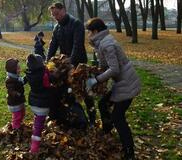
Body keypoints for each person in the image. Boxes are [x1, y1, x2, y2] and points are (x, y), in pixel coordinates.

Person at [85, 18, 141, 160]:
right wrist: (95, 72)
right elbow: (106, 65)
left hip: (126, 84)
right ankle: (107, 131)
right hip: (122, 83)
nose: (88, 35)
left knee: (118, 117)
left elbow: (114, 69)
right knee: (103, 103)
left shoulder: (107, 44)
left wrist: (96, 80)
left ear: (96, 31)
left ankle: (129, 152)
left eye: (89, 32)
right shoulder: (103, 41)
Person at [47, 2, 95, 127]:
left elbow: (77, 45)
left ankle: (92, 120)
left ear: (63, 10)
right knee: (68, 92)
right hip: (65, 65)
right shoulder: (56, 27)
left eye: (57, 13)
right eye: (53, 15)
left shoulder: (76, 24)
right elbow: (53, 45)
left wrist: (72, 62)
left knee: (85, 92)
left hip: (79, 64)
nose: (56, 17)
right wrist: (47, 62)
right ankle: (73, 118)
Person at [25, 54, 53, 153]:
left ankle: (36, 125)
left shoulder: (29, 73)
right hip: (43, 104)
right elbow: (50, 82)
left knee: (38, 118)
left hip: (33, 102)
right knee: (39, 126)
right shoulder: (44, 73)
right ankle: (34, 147)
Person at [5, 58, 26, 133]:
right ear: (12, 70)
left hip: (19, 100)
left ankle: (19, 123)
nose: (20, 70)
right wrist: (16, 94)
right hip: (14, 102)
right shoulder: (10, 80)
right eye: (18, 68)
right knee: (17, 116)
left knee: (23, 113)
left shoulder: (17, 78)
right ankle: (15, 128)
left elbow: (22, 82)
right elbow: (10, 90)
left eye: (19, 68)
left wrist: (26, 78)